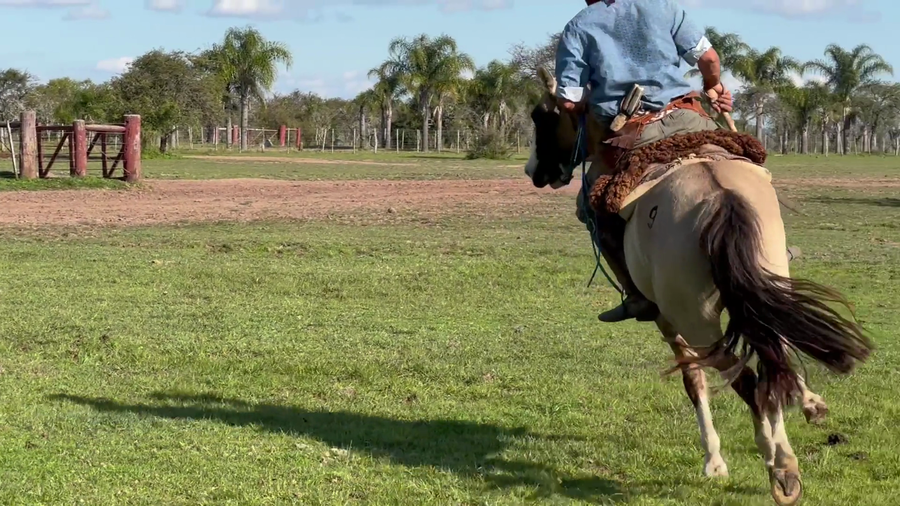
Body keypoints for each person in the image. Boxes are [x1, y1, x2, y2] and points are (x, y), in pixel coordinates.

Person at [554, 0, 733, 323]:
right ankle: (776, 253)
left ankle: (636, 295)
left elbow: (569, 101)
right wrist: (713, 86)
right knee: (743, 160)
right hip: (688, 119)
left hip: (633, 134)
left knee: (591, 203)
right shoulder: (664, 8)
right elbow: (709, 58)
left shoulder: (579, 26)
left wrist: (585, 107)